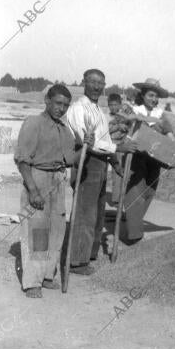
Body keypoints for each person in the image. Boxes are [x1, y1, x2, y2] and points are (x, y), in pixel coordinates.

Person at [15, 84, 94, 297]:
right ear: (47, 101)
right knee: (37, 230)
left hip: (58, 179)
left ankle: (48, 275)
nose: (61, 108)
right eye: (58, 103)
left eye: (66, 106)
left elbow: (70, 160)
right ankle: (33, 282)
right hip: (37, 176)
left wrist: (87, 146)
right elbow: (22, 161)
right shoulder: (33, 123)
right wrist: (32, 190)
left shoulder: (64, 129)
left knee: (57, 230)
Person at [65, 69, 138, 275]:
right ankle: (77, 261)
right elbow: (85, 141)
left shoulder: (99, 111)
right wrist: (117, 149)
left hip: (101, 163)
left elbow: (105, 139)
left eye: (101, 83)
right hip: (86, 162)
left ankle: (89, 254)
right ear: (84, 83)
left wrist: (114, 162)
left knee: (97, 214)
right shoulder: (78, 109)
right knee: (84, 214)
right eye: (93, 82)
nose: (97, 87)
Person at [120, 78, 173, 242]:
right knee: (135, 191)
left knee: (149, 192)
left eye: (156, 96)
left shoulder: (161, 115)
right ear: (143, 95)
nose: (154, 99)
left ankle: (132, 220)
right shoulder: (133, 110)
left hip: (155, 159)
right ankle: (134, 234)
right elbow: (122, 129)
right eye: (150, 95)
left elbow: (170, 136)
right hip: (136, 156)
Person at [107, 93, 130, 205]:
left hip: (122, 147)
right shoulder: (107, 117)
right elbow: (105, 131)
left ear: (120, 105)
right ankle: (116, 199)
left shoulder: (123, 115)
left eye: (116, 104)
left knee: (121, 172)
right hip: (111, 147)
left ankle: (120, 198)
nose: (113, 107)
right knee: (113, 174)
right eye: (110, 105)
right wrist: (117, 126)